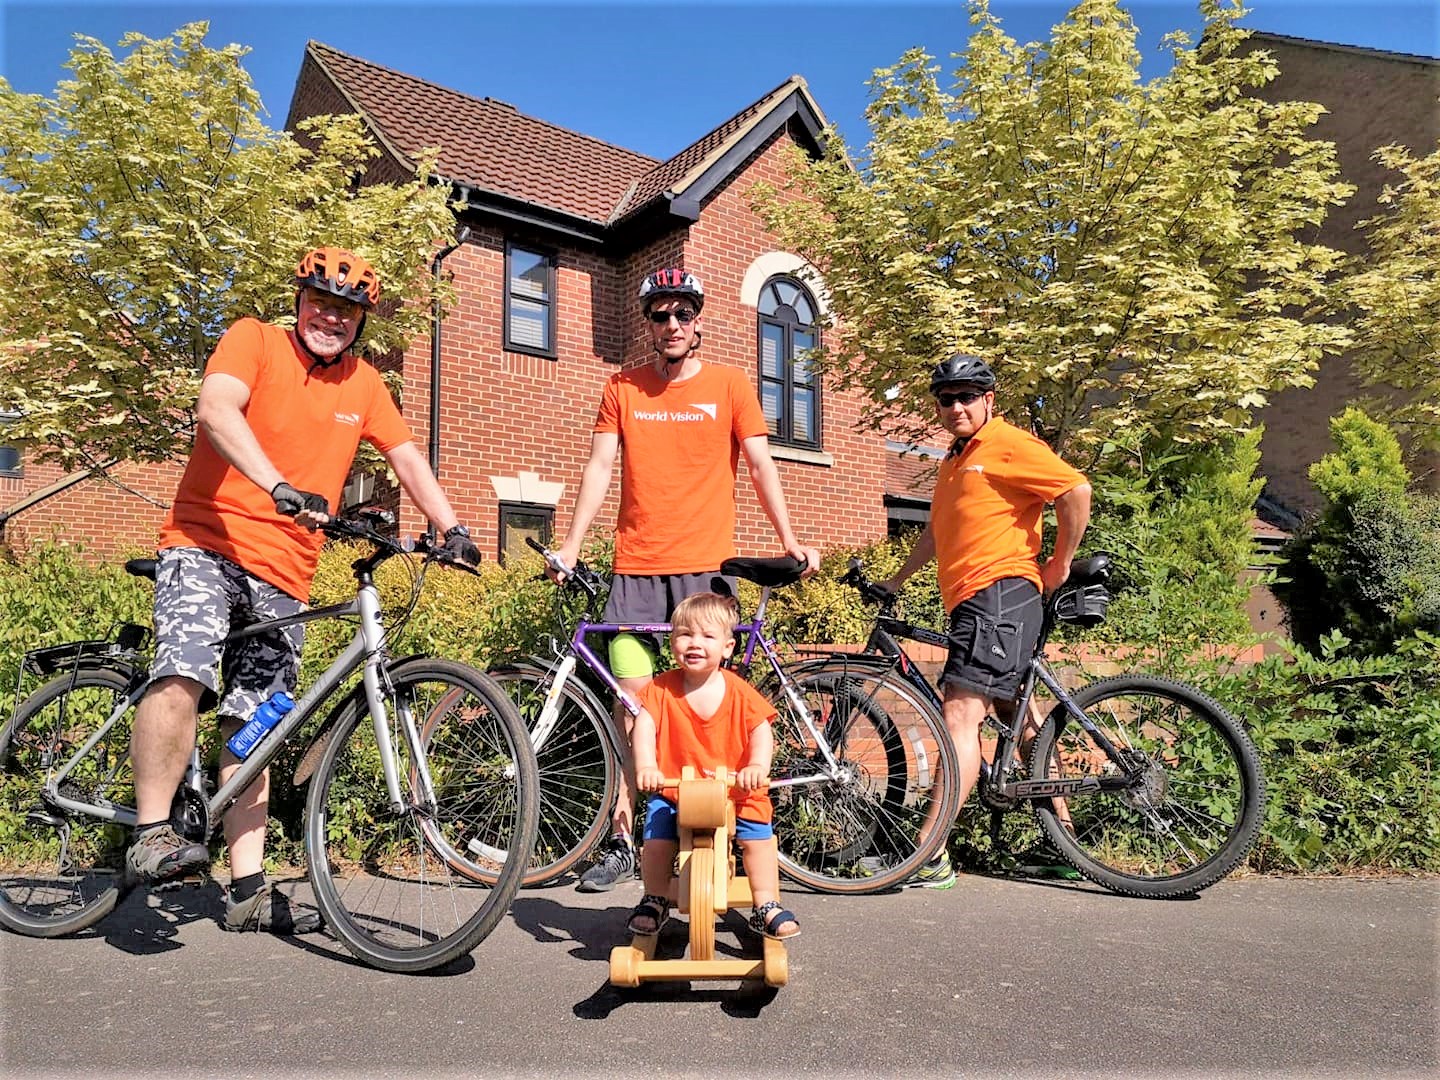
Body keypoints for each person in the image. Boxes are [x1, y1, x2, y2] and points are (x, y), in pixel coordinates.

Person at [125, 246, 481, 934]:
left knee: (257, 722)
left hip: (286, 574)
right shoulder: (253, 339)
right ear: (300, 303)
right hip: (206, 543)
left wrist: (452, 527)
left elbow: (406, 457)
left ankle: (248, 886)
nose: (330, 318)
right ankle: (149, 832)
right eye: (320, 303)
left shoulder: (366, 385)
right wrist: (277, 484)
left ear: (360, 323)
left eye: (345, 311)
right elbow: (217, 409)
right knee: (185, 670)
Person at [551, 267, 820, 893]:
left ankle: (718, 837)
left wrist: (789, 539)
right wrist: (569, 544)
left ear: (697, 321)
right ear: (647, 324)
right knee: (635, 711)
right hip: (635, 570)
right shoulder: (622, 387)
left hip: (705, 572)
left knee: (710, 712)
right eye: (659, 315)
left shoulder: (730, 385)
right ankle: (632, 839)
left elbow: (759, 464)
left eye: (681, 314)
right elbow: (598, 467)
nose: (671, 325)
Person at [879, 354, 1092, 888]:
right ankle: (1065, 842)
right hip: (981, 602)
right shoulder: (955, 461)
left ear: (988, 400)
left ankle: (930, 852)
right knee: (1022, 720)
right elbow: (936, 532)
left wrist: (1060, 562)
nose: (956, 406)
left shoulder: (1007, 444)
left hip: (999, 593)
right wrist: (896, 581)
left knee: (960, 715)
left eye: (967, 396)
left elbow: (1075, 491)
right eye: (946, 398)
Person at [628, 592, 799, 940]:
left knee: (758, 838)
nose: (695, 643)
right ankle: (656, 897)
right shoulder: (660, 689)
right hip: (676, 789)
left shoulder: (739, 691)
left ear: (727, 647)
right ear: (673, 641)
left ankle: (765, 902)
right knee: (657, 835)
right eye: (685, 634)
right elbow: (643, 727)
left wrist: (756, 765)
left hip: (737, 790)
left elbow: (761, 730)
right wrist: (646, 765)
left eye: (707, 636)